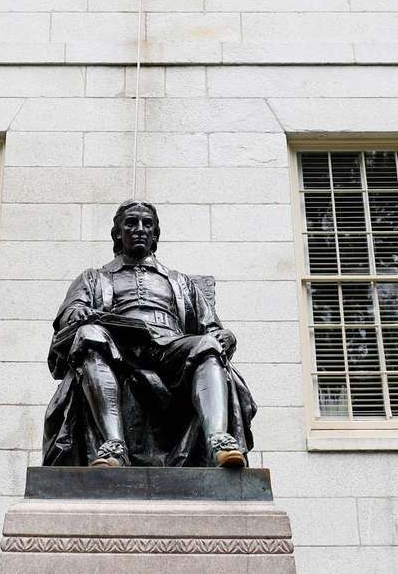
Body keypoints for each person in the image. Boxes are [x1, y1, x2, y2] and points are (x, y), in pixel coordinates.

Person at [41, 199, 256, 468]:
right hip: (118, 347)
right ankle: (113, 446)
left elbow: (210, 327)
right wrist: (77, 313)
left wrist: (227, 336)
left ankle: (218, 441)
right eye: (131, 223)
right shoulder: (94, 277)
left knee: (207, 344)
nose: (140, 229)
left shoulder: (179, 281)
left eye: (147, 224)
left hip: (171, 348)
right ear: (118, 234)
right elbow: (70, 313)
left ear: (155, 234)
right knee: (89, 335)